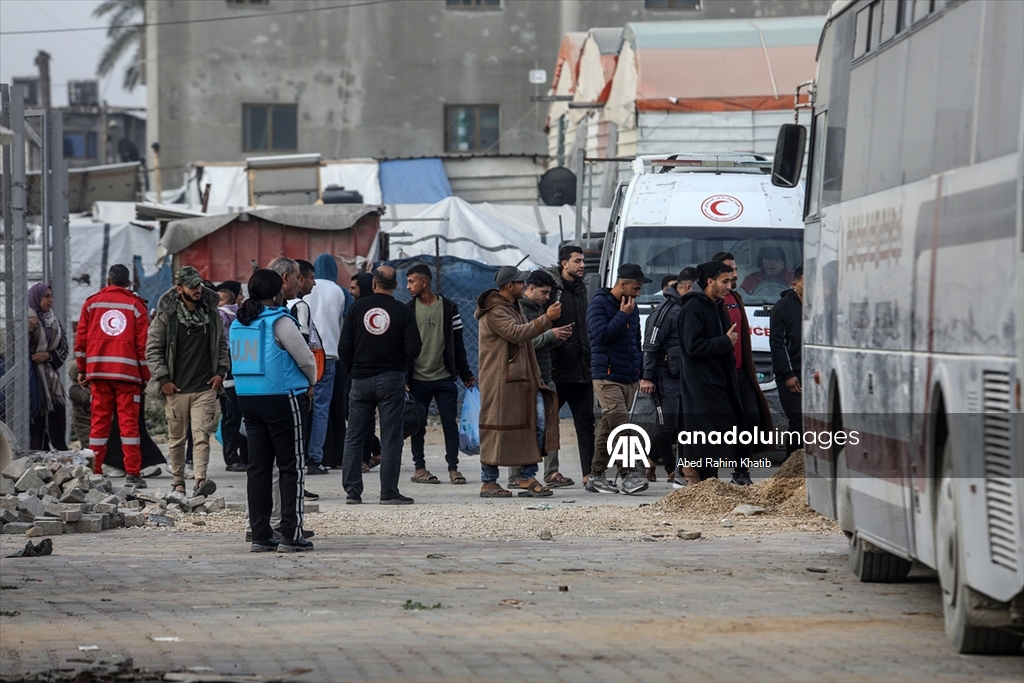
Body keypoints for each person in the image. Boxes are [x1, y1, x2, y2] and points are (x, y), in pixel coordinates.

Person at [231, 269, 316, 552]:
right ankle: (291, 533)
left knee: (258, 469)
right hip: (282, 397)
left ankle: (260, 534)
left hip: (248, 398)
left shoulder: (240, 322)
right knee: (292, 466)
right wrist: (312, 381)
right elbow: (305, 359)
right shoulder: (280, 320)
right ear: (276, 292)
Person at [474, 266, 561, 498]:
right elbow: (516, 333)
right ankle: (489, 481)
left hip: (522, 380)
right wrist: (547, 319)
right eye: (521, 282)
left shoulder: (513, 306)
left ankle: (526, 476)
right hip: (500, 382)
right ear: (509, 285)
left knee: (533, 426)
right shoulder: (495, 310)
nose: (524, 285)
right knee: (495, 429)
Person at [338, 266, 421, 505]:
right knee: (391, 437)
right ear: (395, 285)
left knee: (354, 436)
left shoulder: (357, 308)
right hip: (391, 379)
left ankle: (353, 491)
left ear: (374, 283)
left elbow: (344, 347)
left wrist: (354, 370)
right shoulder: (403, 311)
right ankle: (389, 492)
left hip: (360, 379)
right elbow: (414, 348)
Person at [146, 266, 229, 497]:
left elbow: (222, 344)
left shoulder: (211, 315)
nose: (196, 290)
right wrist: (163, 379)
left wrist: (221, 371)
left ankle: (201, 479)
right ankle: (178, 482)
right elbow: (153, 350)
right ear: (179, 289)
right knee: (177, 439)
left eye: (198, 285)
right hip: (176, 389)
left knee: (202, 436)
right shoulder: (167, 317)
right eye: (191, 286)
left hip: (205, 387)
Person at [75, 264, 151, 487]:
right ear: (128, 283)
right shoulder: (137, 306)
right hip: (127, 375)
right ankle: (133, 474)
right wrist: (145, 375)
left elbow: (81, 340)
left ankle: (94, 472)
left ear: (108, 281)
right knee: (129, 425)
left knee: (98, 423)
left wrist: (82, 369)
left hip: (98, 373)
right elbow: (143, 346)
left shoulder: (92, 303)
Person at [405, 264, 476, 486]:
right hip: (417, 379)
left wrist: (465, 373)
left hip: (445, 378)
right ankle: (419, 468)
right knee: (418, 425)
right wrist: (404, 378)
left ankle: (453, 468)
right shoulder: (408, 310)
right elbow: (403, 347)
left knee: (449, 424)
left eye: (411, 282)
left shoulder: (449, 308)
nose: (408, 286)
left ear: (423, 282)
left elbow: (458, 344)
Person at [585, 263, 650, 495]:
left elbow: (636, 341)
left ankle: (596, 476)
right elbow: (600, 336)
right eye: (635, 288)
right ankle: (629, 475)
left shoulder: (632, 306)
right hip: (607, 377)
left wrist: (640, 372)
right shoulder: (599, 304)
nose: (638, 293)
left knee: (608, 428)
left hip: (629, 377)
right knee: (622, 427)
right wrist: (622, 315)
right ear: (622, 284)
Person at [677, 261, 745, 481]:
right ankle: (690, 472)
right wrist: (725, 342)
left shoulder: (716, 306)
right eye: (724, 281)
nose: (729, 287)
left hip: (718, 378)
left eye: (730, 281)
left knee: (717, 432)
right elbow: (693, 346)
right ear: (710, 282)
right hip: (701, 381)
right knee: (704, 429)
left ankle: (709, 480)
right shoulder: (693, 308)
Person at [509, 270, 574, 488]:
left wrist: (557, 337)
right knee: (524, 429)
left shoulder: (538, 310)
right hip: (526, 379)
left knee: (550, 426)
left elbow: (541, 343)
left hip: (545, 377)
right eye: (544, 293)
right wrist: (549, 334)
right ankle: (517, 476)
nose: (547, 297)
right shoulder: (518, 311)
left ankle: (551, 472)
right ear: (530, 289)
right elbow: (523, 342)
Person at [713, 251, 772, 486]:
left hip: (742, 372)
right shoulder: (709, 302)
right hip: (721, 374)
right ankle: (706, 473)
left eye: (735, 270)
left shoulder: (736, 297)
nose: (735, 274)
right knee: (718, 425)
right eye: (729, 270)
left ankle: (742, 472)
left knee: (751, 418)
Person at [641, 267, 696, 485]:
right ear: (689, 287)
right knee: (667, 424)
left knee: (685, 428)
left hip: (684, 377)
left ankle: (681, 473)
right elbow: (650, 345)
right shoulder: (666, 310)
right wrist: (647, 376)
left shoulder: (688, 308)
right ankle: (638, 460)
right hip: (664, 377)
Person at [548, 246, 595, 482]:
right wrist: (561, 352)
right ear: (564, 263)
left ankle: (589, 474)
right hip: (559, 369)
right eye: (577, 261)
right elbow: (545, 326)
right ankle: (546, 472)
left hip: (582, 368)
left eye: (583, 261)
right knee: (548, 422)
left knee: (586, 422)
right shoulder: (553, 290)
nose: (582, 265)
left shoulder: (582, 289)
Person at [304, 253, 350, 475]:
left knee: (301, 407)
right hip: (329, 355)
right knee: (322, 408)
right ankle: (316, 458)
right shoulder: (340, 291)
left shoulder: (303, 288)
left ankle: (299, 454)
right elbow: (348, 320)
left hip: (302, 353)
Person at [28, 283, 69, 451]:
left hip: (51, 380)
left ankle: (58, 453)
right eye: (46, 296)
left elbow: (64, 348)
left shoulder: (54, 322)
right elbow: (15, 351)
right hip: (31, 378)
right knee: (36, 419)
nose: (50, 300)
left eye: (51, 296)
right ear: (36, 298)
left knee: (56, 415)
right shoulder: (26, 319)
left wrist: (48, 355)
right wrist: (29, 331)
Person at [770, 266, 804, 455]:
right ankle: (792, 462)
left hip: (812, 375)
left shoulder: (819, 306)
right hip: (790, 375)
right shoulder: (783, 308)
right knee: (798, 421)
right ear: (795, 284)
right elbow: (778, 345)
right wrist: (788, 374)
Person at [216, 281, 247, 472]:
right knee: (231, 414)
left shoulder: (238, 315)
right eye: (240, 293)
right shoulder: (222, 316)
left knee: (236, 414)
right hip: (228, 370)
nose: (242, 297)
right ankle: (231, 456)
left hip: (237, 367)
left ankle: (239, 454)